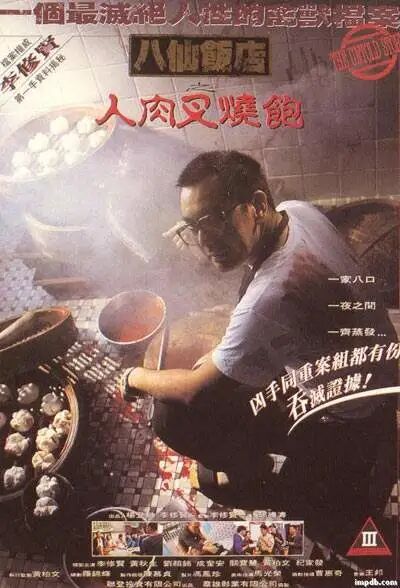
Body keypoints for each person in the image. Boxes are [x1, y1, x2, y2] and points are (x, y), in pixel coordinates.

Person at [119, 150, 398, 511]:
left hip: (344, 416)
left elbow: (193, 390)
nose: (204, 240)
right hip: (380, 371)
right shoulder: (297, 212)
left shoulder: (266, 301)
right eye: (193, 227)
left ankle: (250, 473)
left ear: (258, 205)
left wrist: (133, 377)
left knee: (170, 417)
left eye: (215, 220)